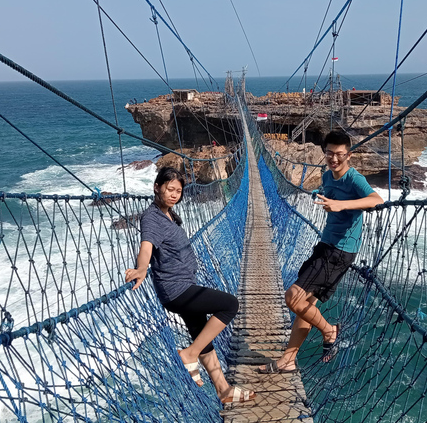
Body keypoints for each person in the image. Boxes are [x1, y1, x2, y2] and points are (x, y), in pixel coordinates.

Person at [125, 167, 256, 404]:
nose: (175, 194)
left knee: (201, 334)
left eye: (178, 190)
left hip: (184, 285)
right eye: (169, 189)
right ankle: (189, 354)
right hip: (177, 290)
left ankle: (223, 390)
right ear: (157, 187)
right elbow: (146, 247)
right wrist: (142, 267)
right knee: (229, 304)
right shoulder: (152, 217)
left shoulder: (170, 215)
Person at [259, 130, 383, 373]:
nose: (334, 159)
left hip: (340, 250)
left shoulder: (353, 178)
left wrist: (341, 204)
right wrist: (327, 201)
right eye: (329, 153)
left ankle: (329, 331)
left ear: (349, 155)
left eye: (339, 154)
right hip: (326, 245)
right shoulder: (327, 176)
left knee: (292, 297)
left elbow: (376, 199)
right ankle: (288, 360)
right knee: (305, 304)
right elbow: (332, 200)